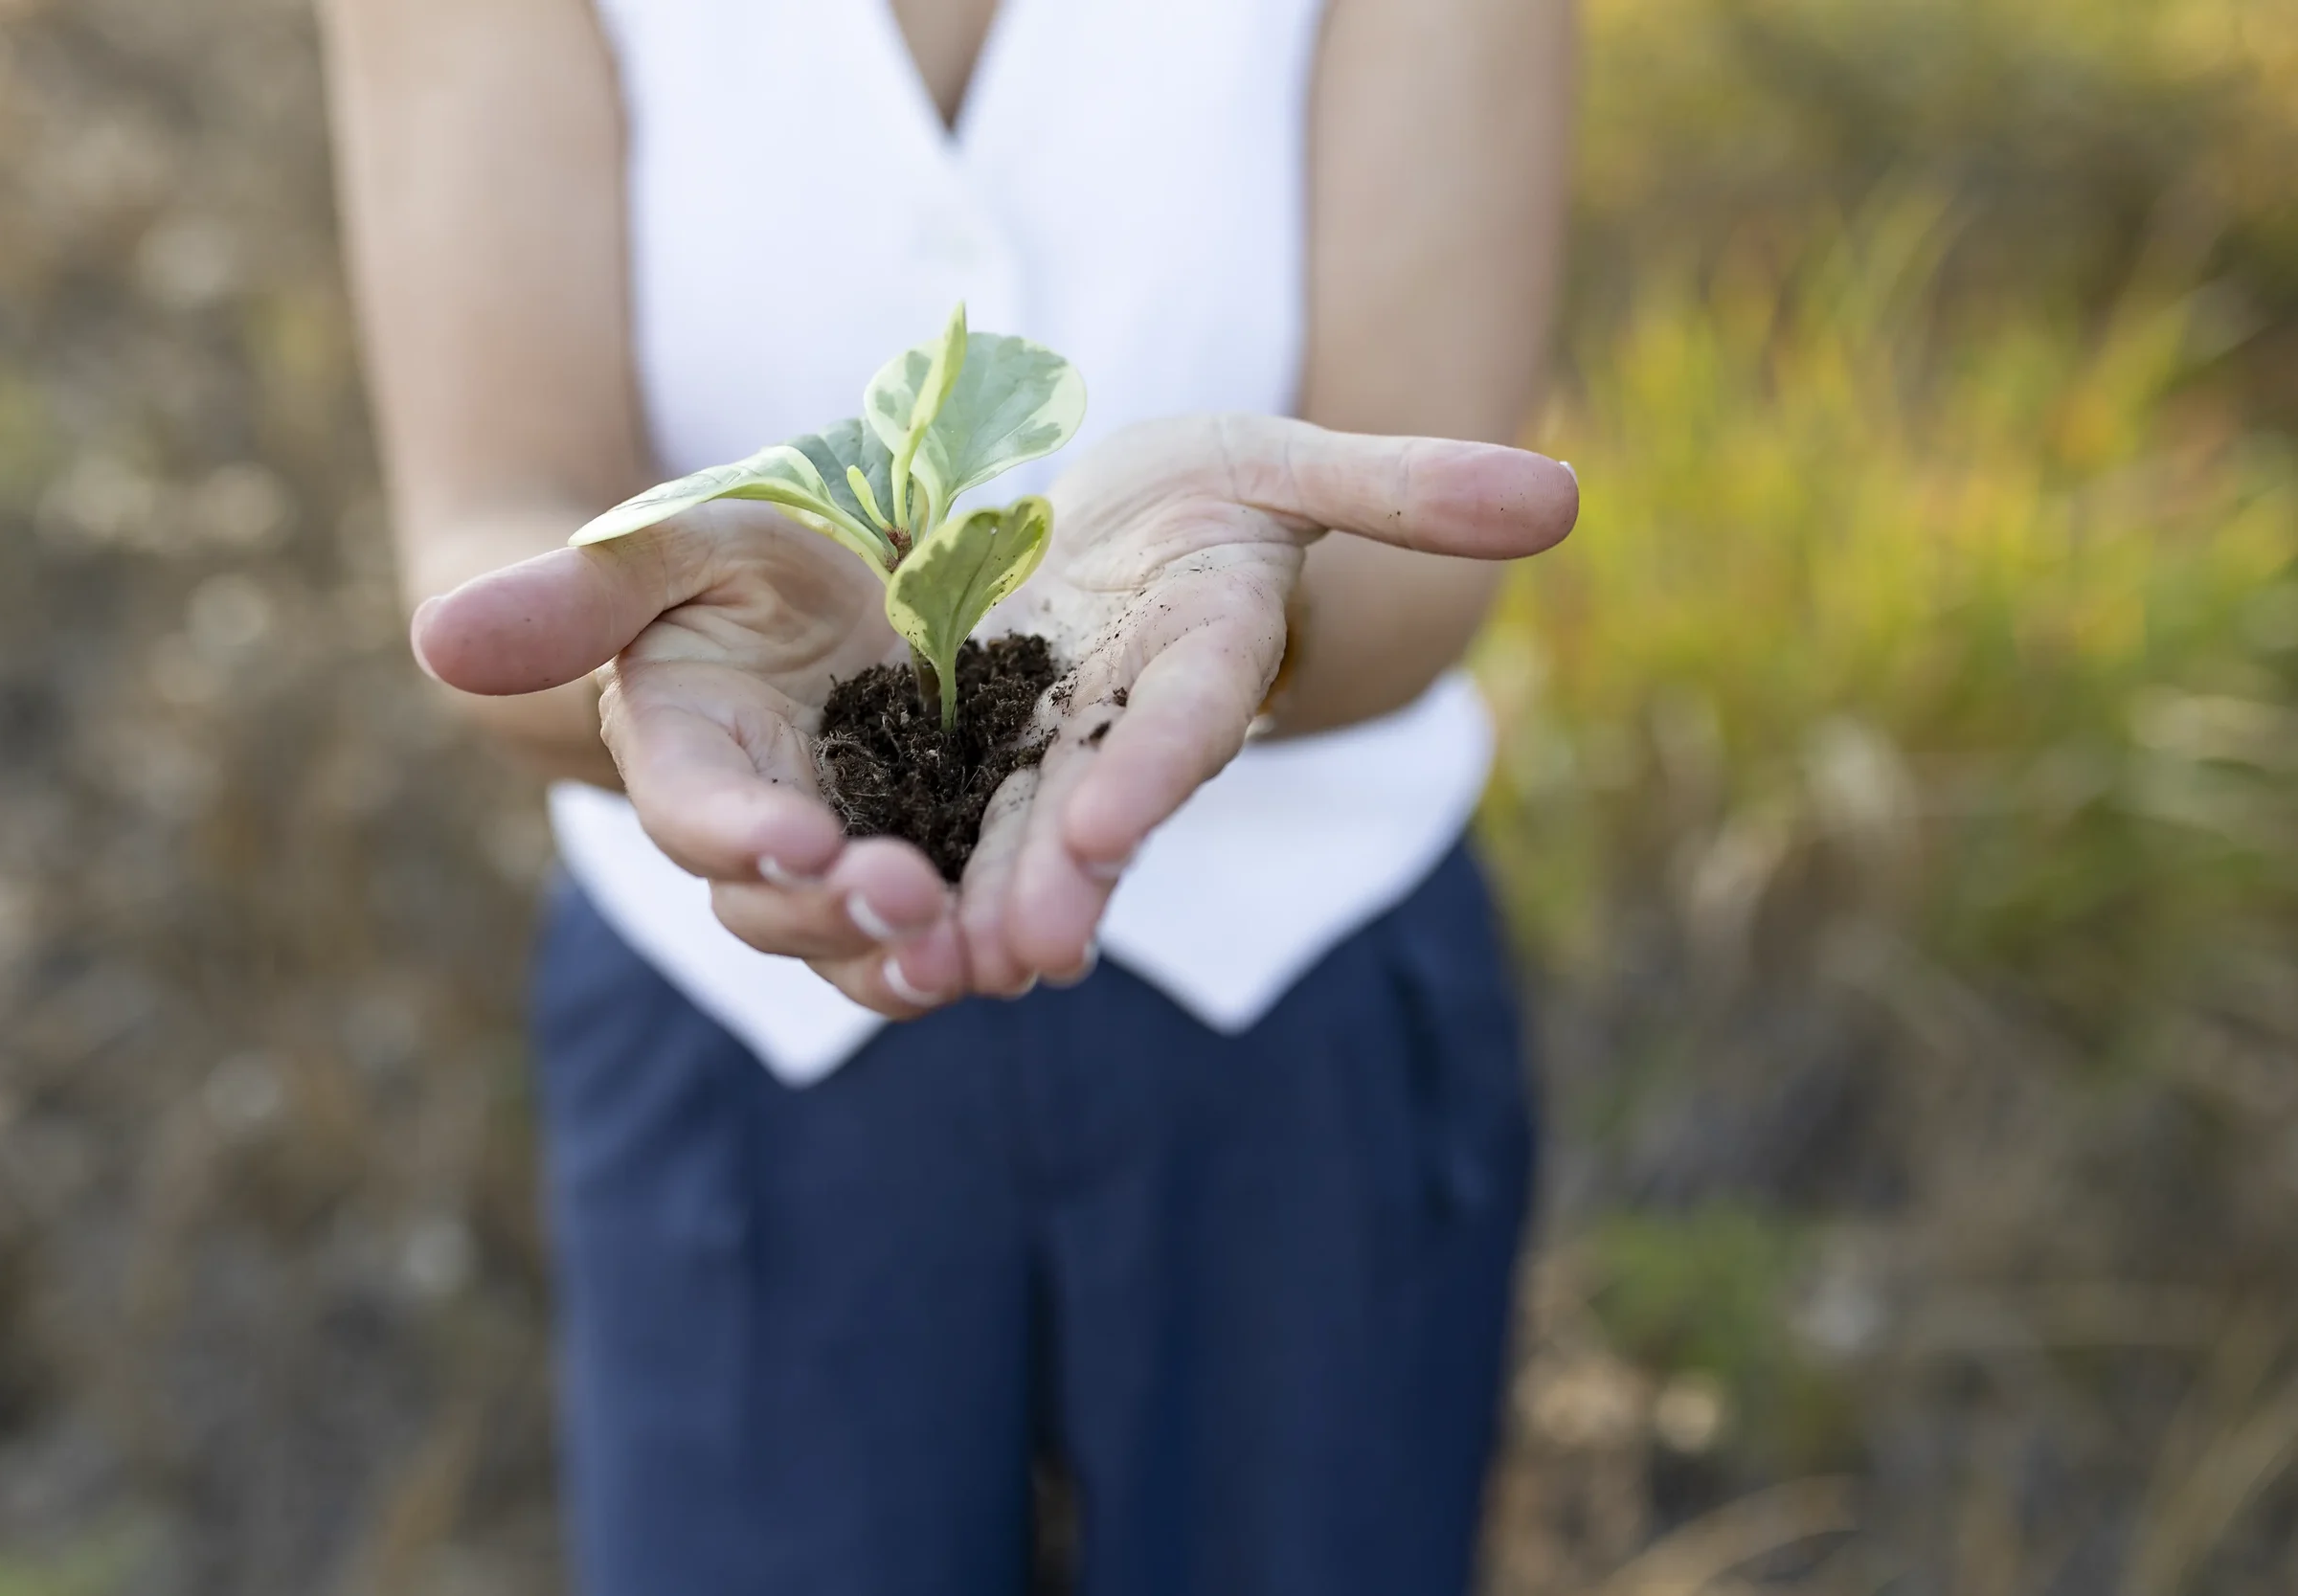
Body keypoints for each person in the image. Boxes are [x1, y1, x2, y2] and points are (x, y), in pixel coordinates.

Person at [315, 0, 1577, 1590]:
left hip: (1307, 987)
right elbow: (493, 511)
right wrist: (632, 648)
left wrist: (1246, 623)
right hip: (732, 1014)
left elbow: (1417, 542)